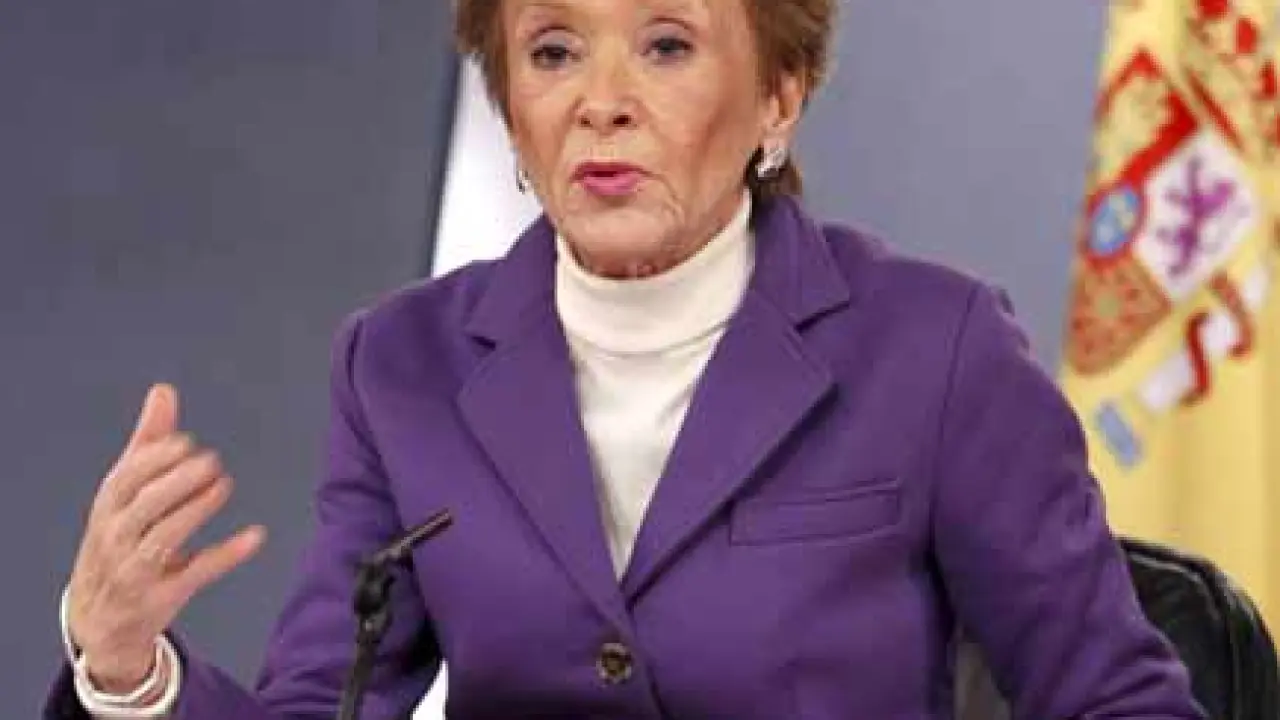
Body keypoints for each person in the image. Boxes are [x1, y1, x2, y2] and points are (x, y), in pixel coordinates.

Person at [47, 1, 1207, 718]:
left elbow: (1112, 698)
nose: (601, 103)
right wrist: (131, 668)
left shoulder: (934, 348)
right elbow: (322, 707)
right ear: (511, 108)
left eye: (664, 45)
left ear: (778, 97)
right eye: (552, 50)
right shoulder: (400, 367)